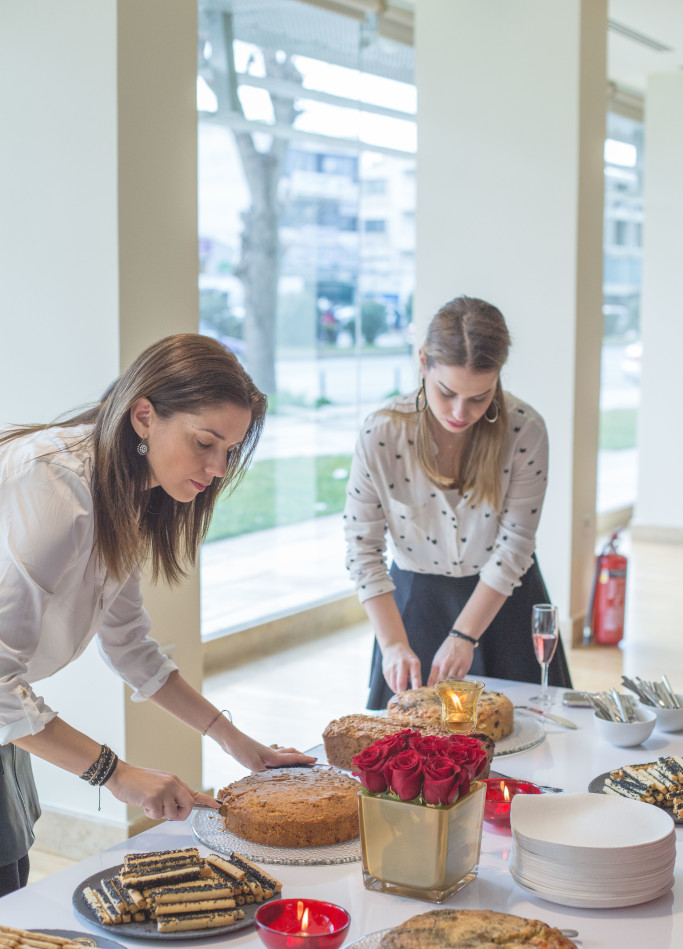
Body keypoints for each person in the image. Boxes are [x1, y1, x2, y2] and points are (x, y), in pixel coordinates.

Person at [0, 333, 314, 897]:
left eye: (231, 451)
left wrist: (238, 743)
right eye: (205, 443)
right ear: (144, 415)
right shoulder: (53, 487)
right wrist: (117, 775)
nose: (219, 468)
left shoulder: (127, 496)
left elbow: (130, 648)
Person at [343, 295, 571, 709]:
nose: (460, 412)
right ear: (423, 362)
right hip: (414, 608)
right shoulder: (381, 435)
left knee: (521, 746)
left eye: (480, 397)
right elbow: (362, 547)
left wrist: (465, 635)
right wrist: (393, 644)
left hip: (503, 601)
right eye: (446, 392)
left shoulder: (525, 431)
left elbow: (517, 543)